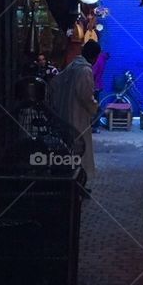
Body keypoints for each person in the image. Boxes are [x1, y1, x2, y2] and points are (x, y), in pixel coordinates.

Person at [47, 40, 101, 183]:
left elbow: (54, 84)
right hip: (78, 118)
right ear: (95, 57)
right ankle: (78, 183)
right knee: (80, 150)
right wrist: (95, 106)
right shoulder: (85, 70)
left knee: (70, 150)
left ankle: (71, 181)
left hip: (65, 115)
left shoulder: (72, 66)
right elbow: (86, 96)